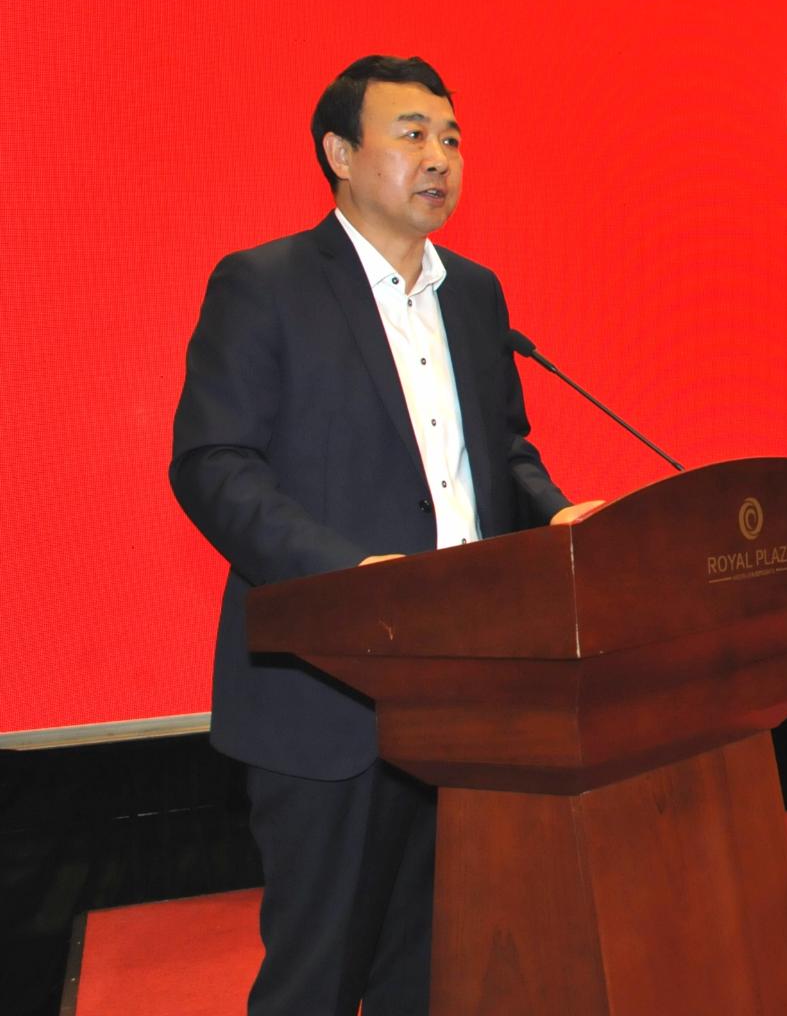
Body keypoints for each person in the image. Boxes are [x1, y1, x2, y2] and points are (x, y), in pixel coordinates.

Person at [170, 55, 600, 1015]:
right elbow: (213, 463)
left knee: (438, 972)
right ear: (339, 153)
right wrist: (350, 576)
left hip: (469, 693)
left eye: (451, 138)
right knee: (317, 980)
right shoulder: (266, 284)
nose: (439, 156)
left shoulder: (475, 295)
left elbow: (502, 450)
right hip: (329, 693)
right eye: (412, 134)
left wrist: (555, 512)